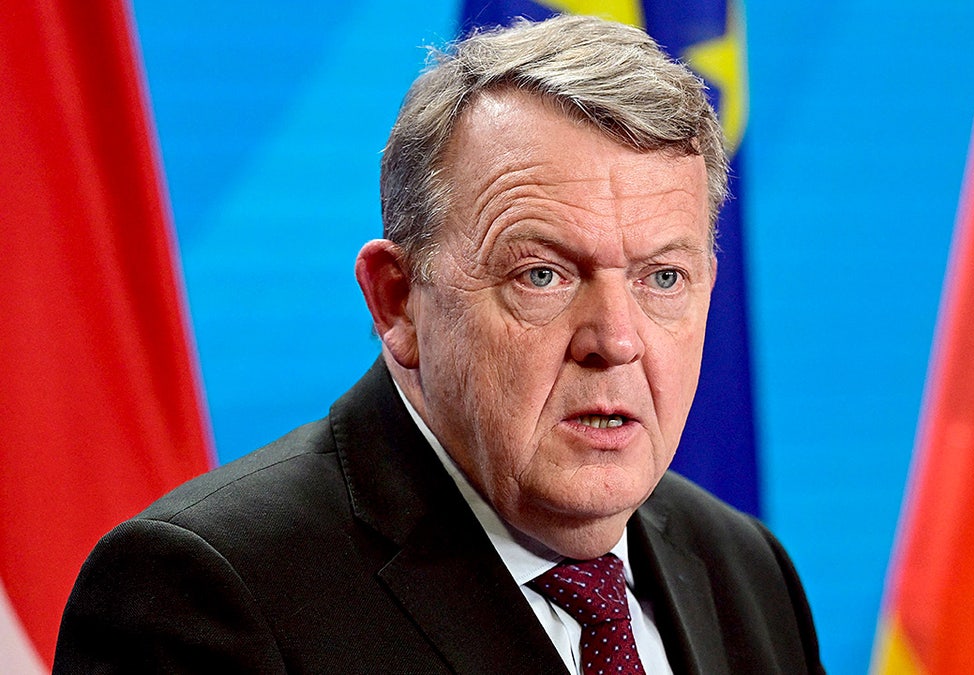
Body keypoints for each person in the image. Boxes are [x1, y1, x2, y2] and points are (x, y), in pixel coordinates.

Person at [54, 14, 824, 674]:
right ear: (397, 301)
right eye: (543, 273)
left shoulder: (746, 573)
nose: (616, 340)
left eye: (663, 278)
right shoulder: (203, 594)